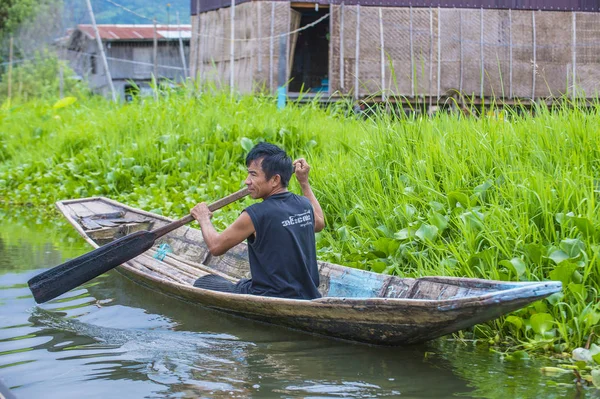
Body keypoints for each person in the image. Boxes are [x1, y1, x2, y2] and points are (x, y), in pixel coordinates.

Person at [190, 142, 325, 300]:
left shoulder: (256, 214)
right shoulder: (303, 204)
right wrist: (304, 182)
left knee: (204, 283)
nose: (247, 181)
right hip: (307, 294)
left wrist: (203, 218)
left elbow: (216, 246)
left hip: (269, 296)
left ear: (275, 180)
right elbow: (319, 223)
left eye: (253, 175)